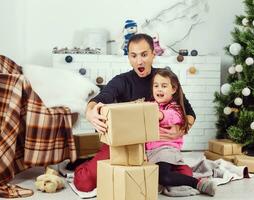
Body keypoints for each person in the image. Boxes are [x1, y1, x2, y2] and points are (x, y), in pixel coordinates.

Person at [74, 33, 196, 192]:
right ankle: (85, 163)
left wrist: (182, 128)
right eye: (134, 55)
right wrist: (90, 112)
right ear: (129, 57)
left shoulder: (164, 79)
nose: (139, 61)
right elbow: (101, 98)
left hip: (159, 148)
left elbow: (189, 113)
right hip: (125, 144)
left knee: (186, 175)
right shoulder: (121, 81)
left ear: (153, 54)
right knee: (85, 183)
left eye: (144, 54)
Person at [146, 68, 216, 196]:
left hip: (166, 149)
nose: (159, 89)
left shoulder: (175, 107)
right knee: (150, 175)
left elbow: (172, 116)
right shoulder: (150, 105)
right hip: (149, 151)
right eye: (156, 86)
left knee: (163, 177)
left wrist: (160, 115)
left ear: (173, 89)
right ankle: (180, 170)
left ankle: (199, 183)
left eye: (164, 86)